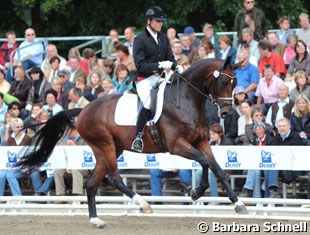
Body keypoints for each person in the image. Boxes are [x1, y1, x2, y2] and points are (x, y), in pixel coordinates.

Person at [131, 6, 179, 152]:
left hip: (161, 78)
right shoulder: (139, 39)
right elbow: (140, 65)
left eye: (162, 21)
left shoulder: (163, 38)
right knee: (147, 103)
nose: (160, 24)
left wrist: (176, 66)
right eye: (158, 21)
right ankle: (138, 137)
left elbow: (170, 58)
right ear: (149, 21)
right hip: (144, 79)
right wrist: (159, 66)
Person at [4, 118, 43, 196]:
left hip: (28, 166)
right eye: (17, 127)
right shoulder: (10, 138)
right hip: (17, 167)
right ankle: (18, 198)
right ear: (13, 128)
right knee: (9, 175)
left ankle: (39, 196)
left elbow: (33, 153)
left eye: (21, 127)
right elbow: (5, 141)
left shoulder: (28, 138)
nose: (20, 129)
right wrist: (7, 129)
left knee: (35, 173)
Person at [195, 123, 233, 199]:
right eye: (210, 134)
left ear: (220, 134)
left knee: (211, 173)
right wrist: (208, 144)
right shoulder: (211, 143)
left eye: (213, 134)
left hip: (224, 167)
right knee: (198, 173)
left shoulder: (227, 143)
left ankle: (214, 198)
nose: (211, 136)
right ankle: (200, 197)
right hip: (212, 166)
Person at [54, 126, 90, 201]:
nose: (66, 133)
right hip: (68, 166)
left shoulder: (85, 138)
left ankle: (78, 196)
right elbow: (63, 155)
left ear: (73, 130)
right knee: (57, 171)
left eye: (67, 131)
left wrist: (75, 147)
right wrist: (67, 166)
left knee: (75, 170)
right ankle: (61, 195)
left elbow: (87, 155)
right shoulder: (65, 140)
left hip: (83, 167)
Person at [271, 118, 305, 194]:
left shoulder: (296, 137)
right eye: (279, 126)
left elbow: (297, 155)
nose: (282, 128)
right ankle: (271, 191)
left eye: (284, 126)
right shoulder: (276, 138)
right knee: (269, 168)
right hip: (279, 165)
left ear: (289, 126)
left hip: (294, 166)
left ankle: (272, 191)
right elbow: (273, 153)